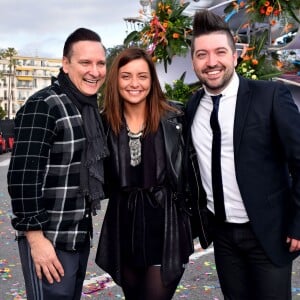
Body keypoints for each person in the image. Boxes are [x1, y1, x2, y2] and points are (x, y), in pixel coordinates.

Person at [185, 9, 300, 300]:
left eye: (220, 52)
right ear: (193, 61)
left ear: (235, 55)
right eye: (202, 55)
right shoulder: (192, 107)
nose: (211, 62)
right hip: (222, 236)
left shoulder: (270, 97)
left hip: (268, 233)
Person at [7, 28, 109, 300]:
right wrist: (36, 240)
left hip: (77, 236)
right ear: (66, 64)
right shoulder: (44, 104)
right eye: (85, 63)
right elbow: (22, 177)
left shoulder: (86, 107)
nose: (95, 71)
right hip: (49, 242)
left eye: (100, 63)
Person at [95, 47, 193, 300]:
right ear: (115, 80)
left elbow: (194, 171)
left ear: (152, 80)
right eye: (126, 76)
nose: (134, 84)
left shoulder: (176, 118)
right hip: (123, 227)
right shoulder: (104, 122)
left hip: (166, 226)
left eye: (142, 76)